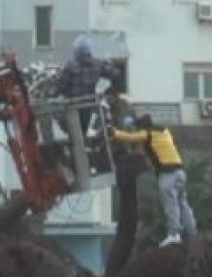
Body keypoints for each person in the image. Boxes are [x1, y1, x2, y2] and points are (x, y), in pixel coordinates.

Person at [109, 114, 197, 246]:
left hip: (167, 174)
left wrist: (112, 131)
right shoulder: (165, 131)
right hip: (180, 172)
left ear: (143, 127)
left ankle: (174, 234)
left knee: (170, 204)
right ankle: (192, 233)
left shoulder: (148, 134)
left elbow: (128, 137)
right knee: (182, 203)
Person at [58, 35, 114, 135]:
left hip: (73, 106)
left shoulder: (70, 66)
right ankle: (83, 145)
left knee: (71, 131)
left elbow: (61, 87)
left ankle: (74, 146)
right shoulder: (97, 65)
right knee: (83, 131)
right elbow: (113, 74)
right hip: (89, 105)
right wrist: (108, 91)